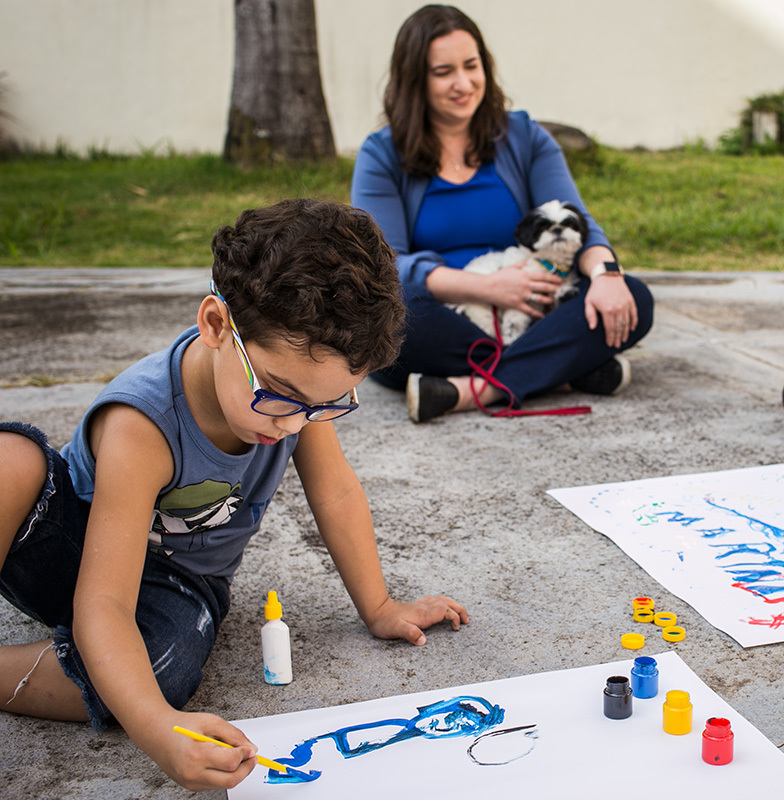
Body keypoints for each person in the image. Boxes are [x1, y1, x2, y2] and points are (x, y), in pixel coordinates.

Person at [0, 199, 468, 791]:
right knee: (9, 462)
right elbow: (104, 601)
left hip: (179, 584)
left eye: (325, 406)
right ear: (218, 326)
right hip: (74, 548)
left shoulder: (295, 399)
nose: (295, 425)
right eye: (280, 394)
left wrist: (378, 607)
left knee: (162, 672)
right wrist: (157, 732)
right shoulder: (142, 425)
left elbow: (338, 494)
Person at [350, 4, 654, 422]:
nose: (463, 83)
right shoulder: (381, 154)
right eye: (444, 72)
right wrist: (488, 289)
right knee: (392, 316)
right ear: (414, 80)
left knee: (632, 297)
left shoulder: (526, 138)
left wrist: (607, 276)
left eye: (471, 66)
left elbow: (580, 223)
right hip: (449, 313)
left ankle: (470, 390)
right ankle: (561, 369)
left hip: (532, 310)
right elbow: (383, 264)